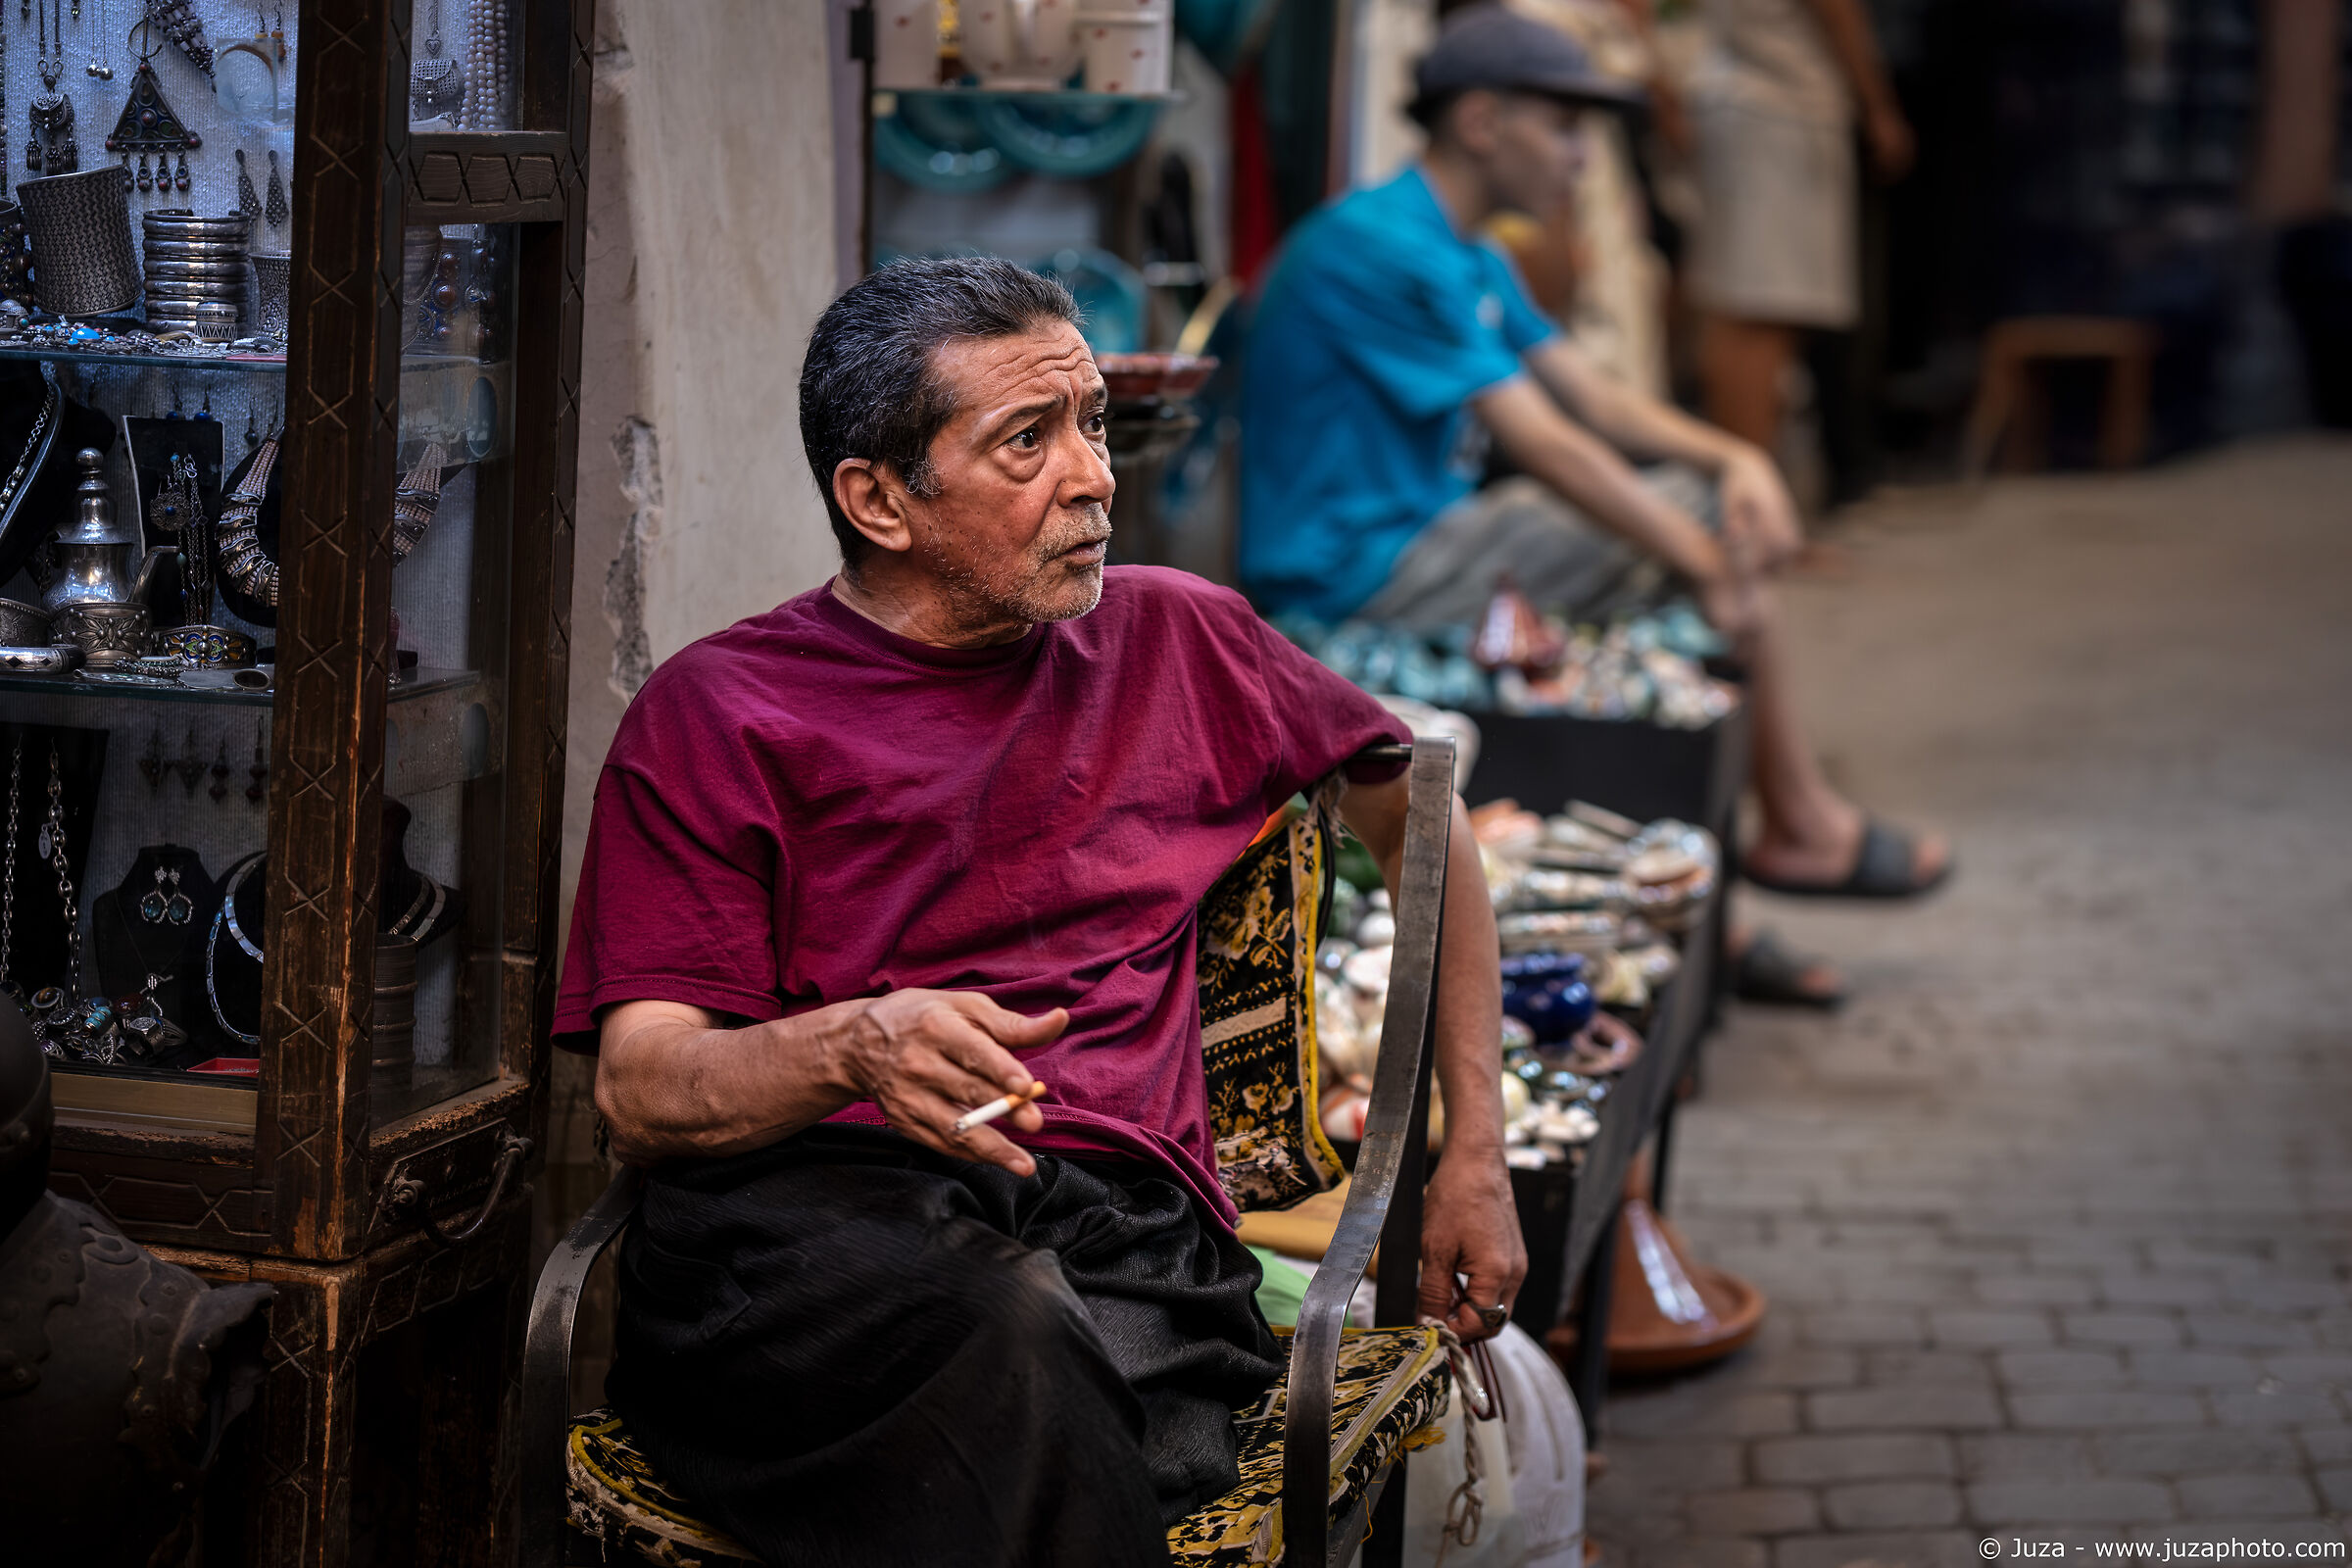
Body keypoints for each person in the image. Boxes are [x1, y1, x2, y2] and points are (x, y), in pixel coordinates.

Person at [556, 257, 1524, 1566]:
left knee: (1054, 1372)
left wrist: (1475, 1151)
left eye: (1094, 423)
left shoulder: (1179, 641)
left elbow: (1424, 823)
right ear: (880, 499)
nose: (1095, 477)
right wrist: (855, 1046)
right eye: (1029, 440)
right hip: (808, 1239)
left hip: (1123, 1243)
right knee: (1007, 1347)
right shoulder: (722, 713)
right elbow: (643, 1086)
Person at [1238, 4, 1947, 947]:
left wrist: (1738, 456)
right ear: (1482, 122)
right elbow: (1551, 445)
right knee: (1700, 533)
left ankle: (1727, 884)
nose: (1581, 158)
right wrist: (1703, 546)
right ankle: (1794, 830)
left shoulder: (1471, 249)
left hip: (1431, 537)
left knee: (1699, 517)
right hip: (1362, 574)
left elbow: (1596, 401)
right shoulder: (1380, 246)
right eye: (1564, 128)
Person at [1687, 0, 1914, 457]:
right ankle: (1746, 491)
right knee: (1758, 312)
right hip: (1776, 105)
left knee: (1747, 310)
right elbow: (1836, 9)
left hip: (1744, 95)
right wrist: (1878, 106)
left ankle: (1745, 485)